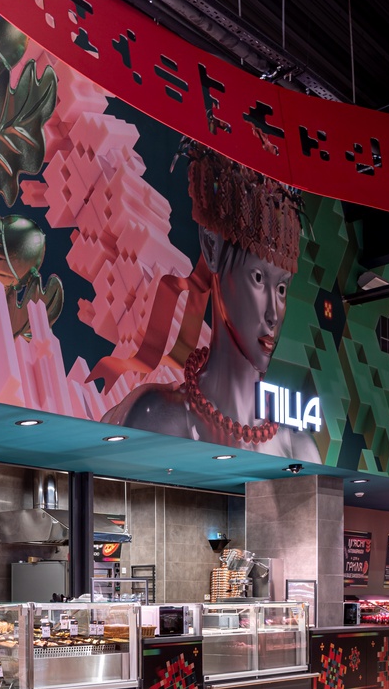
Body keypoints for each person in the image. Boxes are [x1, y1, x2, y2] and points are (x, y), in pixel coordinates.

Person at [102, 143, 320, 460]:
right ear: (212, 248)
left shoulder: (298, 448)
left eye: (282, 289)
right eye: (258, 278)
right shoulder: (156, 418)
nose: (273, 314)